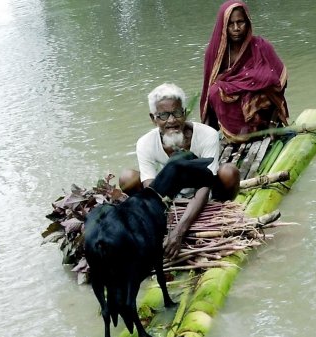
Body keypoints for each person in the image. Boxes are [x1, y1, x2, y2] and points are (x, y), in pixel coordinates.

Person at [119, 83, 240, 259]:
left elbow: (204, 187)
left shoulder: (207, 135)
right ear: (154, 118)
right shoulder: (145, 143)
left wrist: (179, 231)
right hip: (168, 199)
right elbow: (151, 190)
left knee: (229, 173)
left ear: (184, 113)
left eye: (176, 113)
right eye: (163, 115)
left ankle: (220, 210)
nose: (172, 121)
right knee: (127, 178)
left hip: (205, 195)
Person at [200, 0, 290, 143]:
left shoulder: (261, 46)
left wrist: (273, 122)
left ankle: (265, 127)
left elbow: (281, 81)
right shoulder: (216, 54)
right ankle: (237, 135)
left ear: (247, 22)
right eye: (231, 23)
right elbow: (207, 91)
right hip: (233, 118)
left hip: (262, 116)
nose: (236, 28)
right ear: (223, 26)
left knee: (264, 84)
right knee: (215, 91)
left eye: (240, 22)